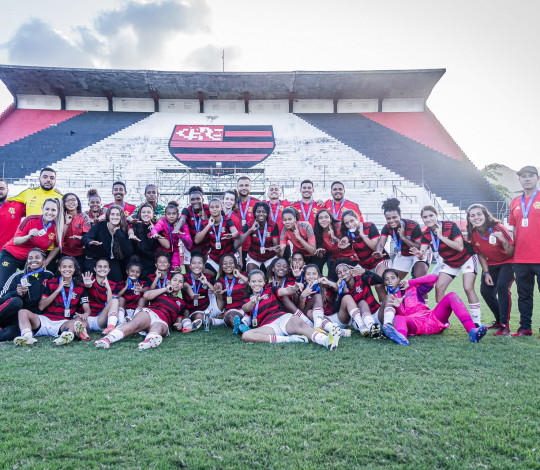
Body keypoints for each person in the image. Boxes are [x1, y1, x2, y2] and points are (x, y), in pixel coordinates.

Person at [410, 205, 482, 326]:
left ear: (437, 215)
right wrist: (419, 254)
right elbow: (422, 253)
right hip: (449, 261)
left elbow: (460, 247)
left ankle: (476, 322)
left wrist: (441, 237)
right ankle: (443, 320)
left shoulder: (450, 225)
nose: (428, 219)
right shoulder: (426, 233)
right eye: (425, 217)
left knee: (468, 288)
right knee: (439, 288)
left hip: (466, 258)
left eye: (430, 215)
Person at [380, 269, 488, 346]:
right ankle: (401, 338)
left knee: (451, 296)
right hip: (415, 324)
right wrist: (398, 307)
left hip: (432, 318)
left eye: (393, 278)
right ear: (384, 283)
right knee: (399, 318)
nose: (390, 281)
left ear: (399, 278)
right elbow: (402, 318)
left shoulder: (413, 288)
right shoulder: (389, 299)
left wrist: (410, 282)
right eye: (387, 279)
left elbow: (434, 278)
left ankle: (472, 331)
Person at [240, 269, 341, 349]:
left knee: (301, 325)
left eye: (259, 281)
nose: (257, 284)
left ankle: (325, 341)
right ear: (249, 283)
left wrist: (295, 288)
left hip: (282, 318)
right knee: (246, 335)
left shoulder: (271, 290)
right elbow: (246, 308)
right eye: (253, 281)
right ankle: (288, 339)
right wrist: (252, 302)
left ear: (264, 282)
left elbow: (286, 290)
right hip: (269, 326)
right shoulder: (247, 300)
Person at [95, 272, 186, 350]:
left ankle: (148, 341)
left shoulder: (181, 303)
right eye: (175, 280)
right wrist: (165, 289)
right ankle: (108, 339)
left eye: (180, 282)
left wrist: (178, 325)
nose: (177, 283)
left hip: (163, 321)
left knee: (158, 327)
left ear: (182, 286)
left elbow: (177, 322)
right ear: (169, 281)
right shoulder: (161, 292)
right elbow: (146, 295)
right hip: (151, 313)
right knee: (135, 324)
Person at [13, 256, 90, 346]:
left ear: (74, 269)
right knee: (22, 312)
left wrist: (86, 313)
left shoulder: (80, 286)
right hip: (46, 320)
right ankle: (27, 337)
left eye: (70, 267)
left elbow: (86, 308)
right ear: (59, 268)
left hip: (64, 322)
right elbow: (41, 306)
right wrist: (58, 290)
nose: (67, 269)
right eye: (64, 267)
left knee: (78, 321)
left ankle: (65, 337)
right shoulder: (51, 283)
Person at [467, 204, 515, 335]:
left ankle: (505, 326)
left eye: (479, 214)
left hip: (509, 262)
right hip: (492, 265)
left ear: (485, 215)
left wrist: (503, 240)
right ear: (469, 219)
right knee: (486, 292)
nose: (476, 217)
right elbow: (481, 254)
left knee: (502, 287)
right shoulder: (474, 234)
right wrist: (486, 272)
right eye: (472, 215)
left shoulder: (498, 228)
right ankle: (499, 320)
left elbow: (512, 252)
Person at [0, 198, 62, 289]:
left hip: (30, 260)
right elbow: (16, 241)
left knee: (30, 287)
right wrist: (29, 236)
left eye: (53, 210)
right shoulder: (30, 219)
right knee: (3, 285)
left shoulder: (57, 227)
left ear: (57, 212)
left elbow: (57, 247)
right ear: (42, 209)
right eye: (47, 209)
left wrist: (46, 262)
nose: (50, 212)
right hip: (12, 255)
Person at [508, 165, 540, 337]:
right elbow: (513, 229)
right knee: (524, 295)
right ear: (520, 180)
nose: (527, 179)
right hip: (521, 258)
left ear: (537, 178)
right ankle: (525, 327)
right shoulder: (514, 202)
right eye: (523, 176)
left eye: (530, 176)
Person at [0, 248, 53, 342]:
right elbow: (2, 298)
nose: (33, 260)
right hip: (10, 314)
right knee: (17, 301)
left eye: (37, 257)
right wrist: (16, 292)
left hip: (27, 318)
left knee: (10, 334)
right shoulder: (18, 276)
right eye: (30, 258)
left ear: (44, 260)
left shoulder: (49, 276)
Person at [339, 210, 390, 301]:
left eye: (352, 221)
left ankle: (386, 310)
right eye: (347, 223)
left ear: (357, 218)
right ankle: (369, 308)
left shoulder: (369, 226)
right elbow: (348, 249)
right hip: (364, 264)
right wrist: (343, 245)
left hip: (379, 261)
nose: (350, 225)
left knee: (379, 285)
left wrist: (362, 235)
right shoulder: (348, 233)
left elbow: (375, 247)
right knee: (356, 284)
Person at [374, 198, 426, 280]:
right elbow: (381, 243)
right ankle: (401, 293)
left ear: (400, 216)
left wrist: (403, 238)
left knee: (418, 279)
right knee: (393, 280)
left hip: (419, 253)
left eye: (394, 217)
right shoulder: (386, 228)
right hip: (404, 255)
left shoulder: (413, 225)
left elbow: (419, 247)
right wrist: (378, 251)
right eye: (388, 218)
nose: (391, 221)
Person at [332, 260, 383, 338]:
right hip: (359, 321)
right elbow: (335, 309)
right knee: (361, 303)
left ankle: (374, 327)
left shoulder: (362, 278)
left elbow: (380, 280)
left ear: (351, 271)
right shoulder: (341, 288)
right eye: (339, 273)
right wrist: (341, 292)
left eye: (345, 270)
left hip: (375, 314)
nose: (342, 274)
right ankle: (372, 328)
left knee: (363, 302)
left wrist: (365, 271)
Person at [82, 205, 133, 282]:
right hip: (98, 259)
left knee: (117, 282)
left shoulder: (123, 229)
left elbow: (129, 252)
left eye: (117, 215)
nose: (115, 217)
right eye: (112, 214)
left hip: (113, 261)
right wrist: (90, 242)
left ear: (121, 217)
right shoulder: (100, 226)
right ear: (108, 216)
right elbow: (85, 238)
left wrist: (118, 233)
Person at [194, 198, 238, 275]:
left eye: (217, 207)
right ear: (209, 209)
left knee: (232, 277)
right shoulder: (205, 223)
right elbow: (197, 240)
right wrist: (209, 225)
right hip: (215, 257)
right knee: (205, 276)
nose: (214, 209)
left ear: (221, 207)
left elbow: (235, 232)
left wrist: (231, 235)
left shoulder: (227, 220)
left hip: (229, 256)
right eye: (212, 207)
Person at [131, 203, 175, 277]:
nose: (146, 214)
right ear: (140, 213)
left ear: (152, 215)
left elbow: (167, 245)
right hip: (137, 262)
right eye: (143, 212)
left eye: (148, 212)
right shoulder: (134, 226)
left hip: (152, 263)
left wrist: (156, 233)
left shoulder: (157, 227)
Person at [235, 201, 280, 272]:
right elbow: (237, 244)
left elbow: (276, 245)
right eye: (258, 211)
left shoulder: (273, 225)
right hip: (254, 256)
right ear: (255, 213)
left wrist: (274, 248)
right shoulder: (249, 225)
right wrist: (250, 230)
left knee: (274, 274)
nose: (261, 214)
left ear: (267, 214)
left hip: (270, 256)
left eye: (264, 212)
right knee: (252, 275)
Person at [81, 259, 121, 334]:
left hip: (100, 319)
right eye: (99, 266)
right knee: (78, 324)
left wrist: (108, 288)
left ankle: (110, 328)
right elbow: (83, 291)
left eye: (105, 267)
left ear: (109, 270)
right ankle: (82, 331)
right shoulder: (89, 280)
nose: (102, 269)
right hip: (86, 318)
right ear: (95, 269)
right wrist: (86, 285)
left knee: (115, 301)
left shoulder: (113, 285)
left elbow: (110, 305)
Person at [313, 209, 358, 275]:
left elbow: (347, 244)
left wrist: (334, 237)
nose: (323, 220)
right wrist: (320, 251)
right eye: (320, 218)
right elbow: (322, 254)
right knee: (332, 279)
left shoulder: (339, 226)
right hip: (336, 260)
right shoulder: (319, 233)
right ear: (318, 221)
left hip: (350, 258)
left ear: (331, 219)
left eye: (326, 217)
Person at [180, 251, 215, 333]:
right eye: (194, 263)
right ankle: (189, 323)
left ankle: (212, 320)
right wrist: (192, 295)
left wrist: (207, 283)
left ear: (203, 266)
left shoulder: (209, 277)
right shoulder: (184, 277)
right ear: (190, 266)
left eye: (199, 263)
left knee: (220, 299)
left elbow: (217, 292)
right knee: (197, 316)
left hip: (207, 308)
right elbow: (186, 285)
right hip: (191, 309)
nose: (197, 266)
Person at [212, 254, 248, 328]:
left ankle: (222, 321)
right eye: (225, 263)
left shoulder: (244, 275)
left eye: (231, 262)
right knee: (231, 317)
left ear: (235, 264)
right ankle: (241, 326)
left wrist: (240, 276)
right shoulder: (221, 280)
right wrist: (218, 288)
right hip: (233, 310)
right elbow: (218, 285)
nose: (228, 265)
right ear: (221, 266)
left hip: (248, 307)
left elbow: (252, 283)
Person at [178, 186, 210, 258]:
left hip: (207, 246)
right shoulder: (187, 210)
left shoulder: (208, 209)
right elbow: (182, 219)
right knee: (190, 269)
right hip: (190, 247)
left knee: (205, 268)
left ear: (203, 199)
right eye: (193, 199)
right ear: (190, 201)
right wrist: (177, 227)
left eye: (198, 199)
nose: (195, 201)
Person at [62, 193, 91, 269]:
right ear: (64, 203)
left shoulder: (84, 217)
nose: (71, 202)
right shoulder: (60, 217)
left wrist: (80, 238)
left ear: (78, 202)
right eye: (68, 200)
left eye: (73, 200)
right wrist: (67, 223)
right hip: (63, 252)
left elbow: (87, 236)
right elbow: (59, 237)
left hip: (80, 253)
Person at [0, 179, 26, 250]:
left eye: (2, 189)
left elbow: (35, 209)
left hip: (10, 252)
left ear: (7, 190)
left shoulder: (17, 206)